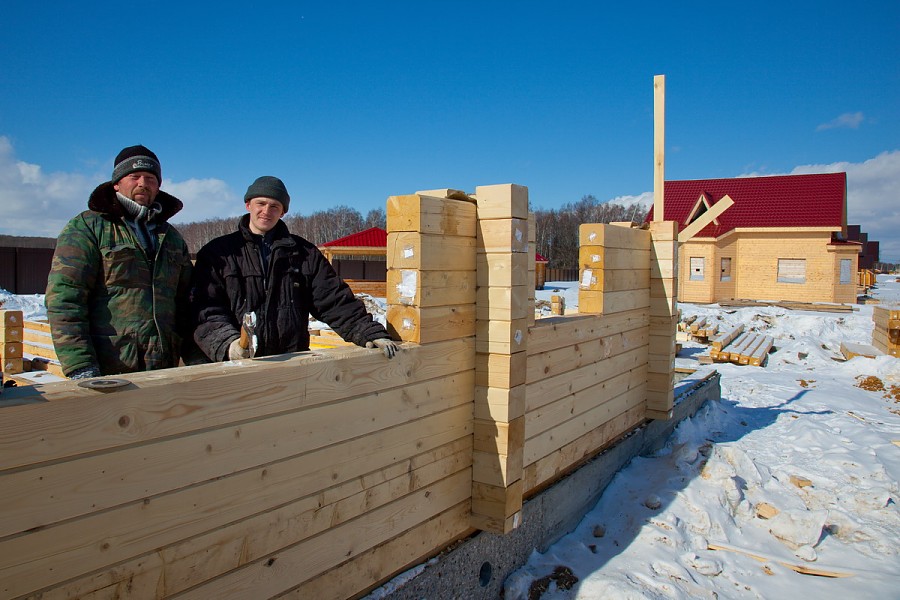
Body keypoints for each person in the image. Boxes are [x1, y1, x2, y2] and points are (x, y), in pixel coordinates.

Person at [191, 175, 398, 362]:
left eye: (274, 206)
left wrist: (368, 331)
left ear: (283, 212)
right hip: (236, 365)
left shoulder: (304, 253)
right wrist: (228, 345)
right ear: (248, 205)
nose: (266, 211)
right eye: (260, 203)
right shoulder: (219, 253)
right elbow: (205, 309)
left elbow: (332, 300)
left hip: (291, 361)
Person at [46, 145, 194, 379]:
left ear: (158, 185)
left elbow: (187, 303)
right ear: (117, 183)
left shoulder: (172, 238)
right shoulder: (88, 227)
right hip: (108, 368)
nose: (142, 183)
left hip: (163, 367)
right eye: (134, 177)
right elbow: (65, 298)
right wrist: (80, 365)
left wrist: (195, 357)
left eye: (150, 178)